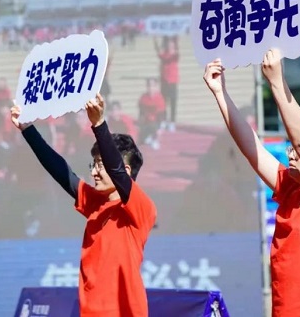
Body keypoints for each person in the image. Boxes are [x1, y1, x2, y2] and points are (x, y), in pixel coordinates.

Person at [203, 49, 300, 316]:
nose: (291, 153)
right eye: (290, 148)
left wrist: (277, 81)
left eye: (297, 150)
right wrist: (220, 93)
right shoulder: (289, 188)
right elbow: (251, 147)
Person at [10, 93, 157, 316]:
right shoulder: (96, 203)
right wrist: (27, 129)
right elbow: (62, 172)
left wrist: (99, 124)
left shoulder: (141, 209)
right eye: (94, 164)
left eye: (101, 165)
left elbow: (116, 170)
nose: (94, 172)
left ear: (126, 171)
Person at [154, 36, 179, 132]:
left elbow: (172, 57)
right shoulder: (164, 55)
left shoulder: (175, 55)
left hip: (172, 82)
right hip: (164, 82)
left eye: (171, 45)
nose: (170, 46)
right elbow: (159, 53)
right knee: (163, 103)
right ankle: (163, 121)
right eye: (168, 45)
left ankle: (172, 122)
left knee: (173, 103)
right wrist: (155, 40)